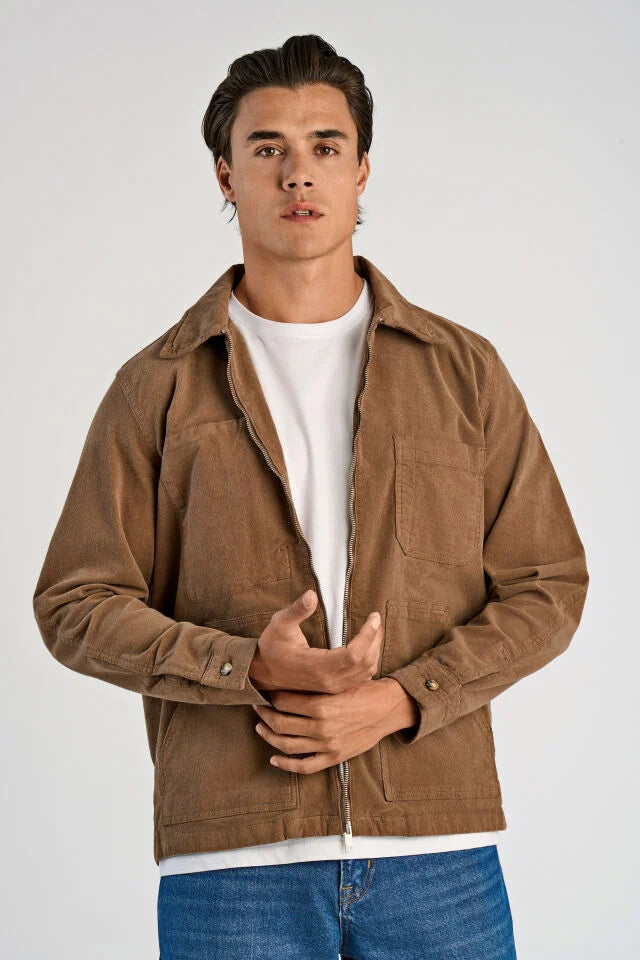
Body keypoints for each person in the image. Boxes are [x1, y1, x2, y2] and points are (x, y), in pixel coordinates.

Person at [33, 33, 589, 960]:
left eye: (326, 146)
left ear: (362, 169)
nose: (299, 173)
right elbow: (74, 602)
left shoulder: (462, 371)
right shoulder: (158, 385)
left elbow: (549, 583)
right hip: (231, 862)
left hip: (436, 851)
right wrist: (242, 665)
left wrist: (404, 699)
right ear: (225, 174)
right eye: (268, 149)